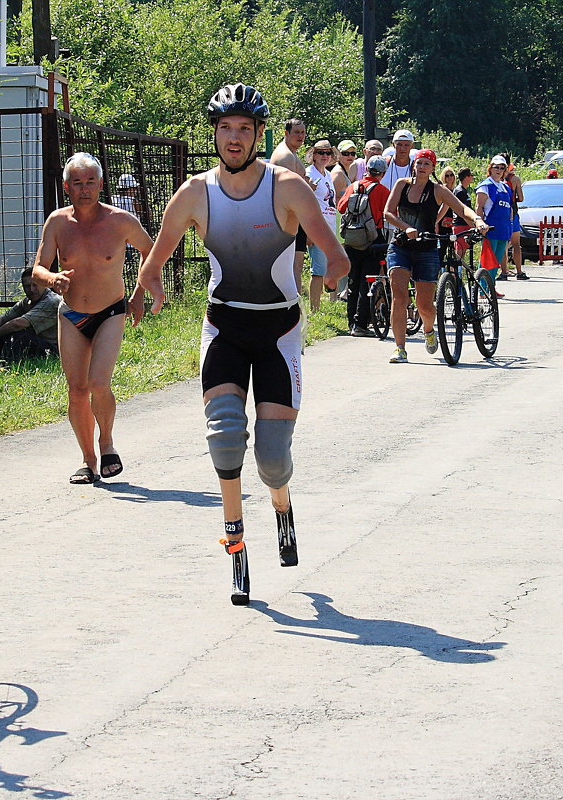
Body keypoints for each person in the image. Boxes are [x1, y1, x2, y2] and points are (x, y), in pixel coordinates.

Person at [136, 83, 349, 605]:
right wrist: (153, 285)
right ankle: (235, 543)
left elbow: (334, 253)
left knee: (273, 460)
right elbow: (153, 258)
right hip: (225, 328)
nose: (234, 138)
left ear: (259, 135)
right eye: (225, 128)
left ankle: (282, 508)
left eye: (244, 129)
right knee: (226, 436)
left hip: (278, 332)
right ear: (215, 133)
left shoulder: (287, 188)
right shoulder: (193, 192)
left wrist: (334, 274)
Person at [32, 152, 153, 485]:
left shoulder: (120, 220)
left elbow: (151, 251)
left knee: (99, 383)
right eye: (77, 183)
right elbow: (38, 267)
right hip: (71, 314)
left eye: (90, 182)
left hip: (110, 311)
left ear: (100, 184)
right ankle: (88, 461)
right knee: (77, 390)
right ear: (66, 187)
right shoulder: (57, 222)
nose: (84, 189)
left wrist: (139, 294)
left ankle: (107, 442)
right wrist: (52, 279)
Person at [383, 148, 490, 364]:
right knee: (399, 296)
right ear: (414, 165)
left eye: (426, 164)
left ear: (432, 168)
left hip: (427, 249)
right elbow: (387, 212)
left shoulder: (438, 190)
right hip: (400, 245)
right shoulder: (401, 185)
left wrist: (478, 220)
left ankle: (429, 330)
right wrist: (405, 227)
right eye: (419, 163)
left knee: (424, 304)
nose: (422, 167)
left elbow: (461, 208)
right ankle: (399, 348)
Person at [337, 154, 390, 336]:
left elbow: (341, 207)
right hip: (372, 240)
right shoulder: (382, 191)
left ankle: (351, 322)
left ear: (367, 170)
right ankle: (361, 324)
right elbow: (389, 213)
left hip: (352, 239)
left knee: (353, 280)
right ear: (382, 173)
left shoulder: (353, 186)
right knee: (367, 282)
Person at [0, 266, 62, 362]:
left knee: (19, 336)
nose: (32, 289)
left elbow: (18, 324)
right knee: (3, 333)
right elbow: (1, 319)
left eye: (35, 285)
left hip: (53, 350)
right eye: (27, 286)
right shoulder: (27, 301)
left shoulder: (51, 301)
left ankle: (7, 365)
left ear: (44, 284)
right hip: (37, 344)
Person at [269, 119, 309, 292]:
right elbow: (288, 191)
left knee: (296, 266)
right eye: (296, 132)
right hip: (286, 219)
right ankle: (290, 307)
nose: (300, 136)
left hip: (294, 217)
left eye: (302, 132)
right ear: (286, 133)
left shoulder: (291, 153)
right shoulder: (285, 156)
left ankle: (296, 307)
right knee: (290, 268)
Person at [305, 140, 339, 311]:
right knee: (317, 271)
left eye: (328, 153)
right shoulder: (309, 174)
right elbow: (304, 203)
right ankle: (314, 309)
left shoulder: (326, 174)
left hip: (329, 226)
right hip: (318, 228)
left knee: (328, 267)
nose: (325, 156)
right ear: (314, 155)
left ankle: (330, 304)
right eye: (321, 153)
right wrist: (309, 231)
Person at [476, 156, 514, 297]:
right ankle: (481, 289)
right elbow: (479, 207)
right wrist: (480, 226)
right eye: (496, 167)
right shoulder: (485, 186)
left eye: (502, 168)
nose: (498, 170)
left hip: (503, 229)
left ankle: (491, 287)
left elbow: (509, 209)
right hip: (489, 229)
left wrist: (510, 228)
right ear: (490, 168)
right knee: (487, 260)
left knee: (496, 261)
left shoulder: (505, 187)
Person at [502, 155, 528, 280]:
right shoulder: (515, 179)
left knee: (502, 244)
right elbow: (521, 198)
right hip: (513, 211)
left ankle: (503, 272)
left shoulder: (495, 179)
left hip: (501, 213)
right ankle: (519, 272)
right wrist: (514, 199)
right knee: (516, 244)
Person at [451, 167, 475, 255]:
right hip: (460, 224)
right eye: (471, 175)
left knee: (464, 248)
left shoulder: (464, 190)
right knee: (459, 249)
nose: (472, 177)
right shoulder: (459, 191)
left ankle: (460, 267)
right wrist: (472, 225)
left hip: (466, 224)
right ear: (466, 177)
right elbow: (462, 211)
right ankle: (456, 268)